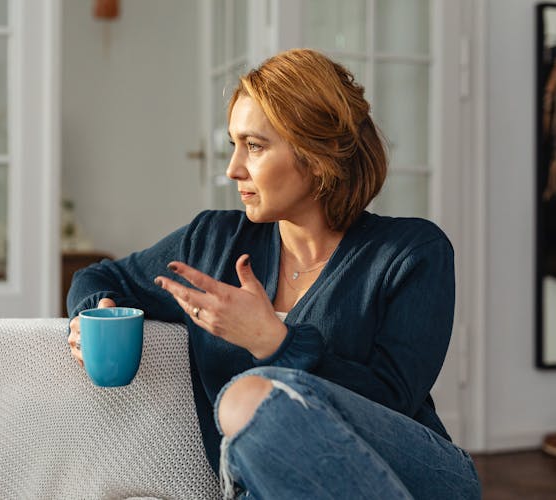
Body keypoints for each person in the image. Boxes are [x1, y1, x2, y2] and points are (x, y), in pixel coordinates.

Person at [67, 48, 481, 499]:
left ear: (317, 153)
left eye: (255, 146)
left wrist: (276, 344)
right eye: (234, 144)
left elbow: (393, 398)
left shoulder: (412, 252)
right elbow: (102, 277)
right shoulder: (212, 242)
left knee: (248, 399)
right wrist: (92, 316)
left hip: (420, 475)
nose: (233, 169)